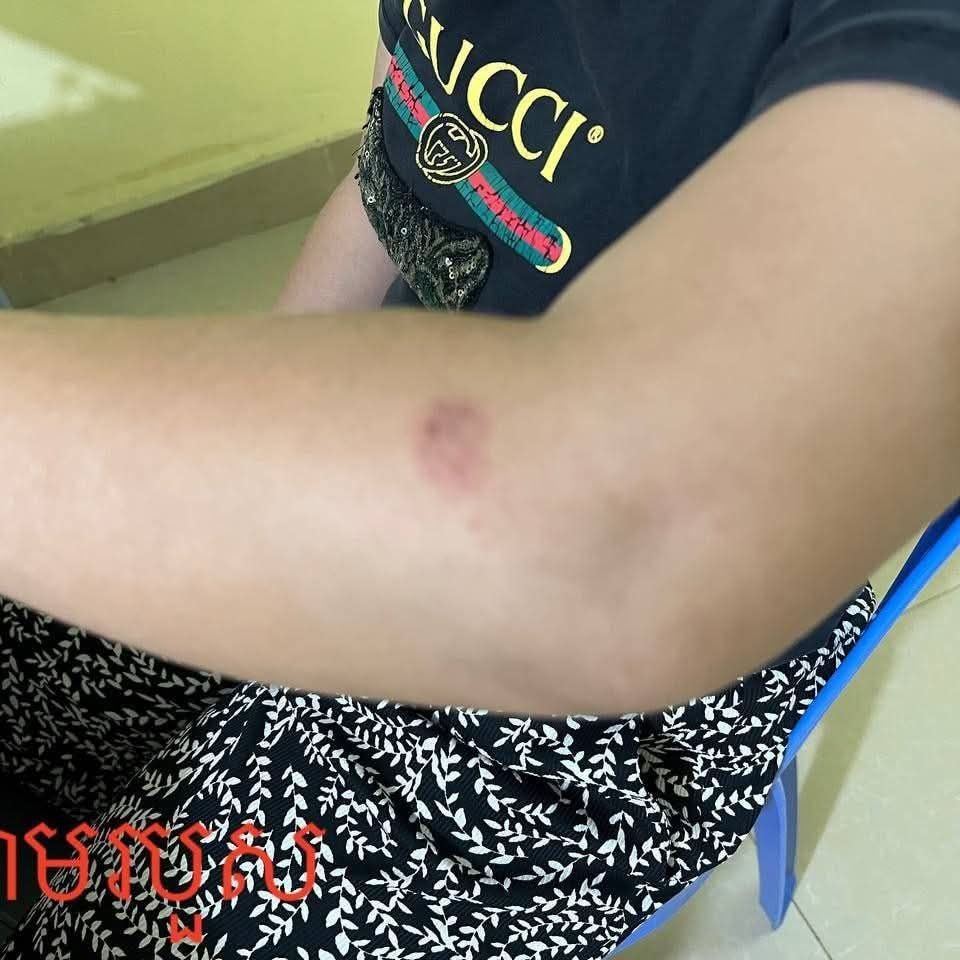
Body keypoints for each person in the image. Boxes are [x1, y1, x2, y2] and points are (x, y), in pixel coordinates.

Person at [0, 1, 958, 956]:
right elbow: (397, 176)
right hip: (397, 474)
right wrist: (249, 439)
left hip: (616, 697)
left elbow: (617, 537)